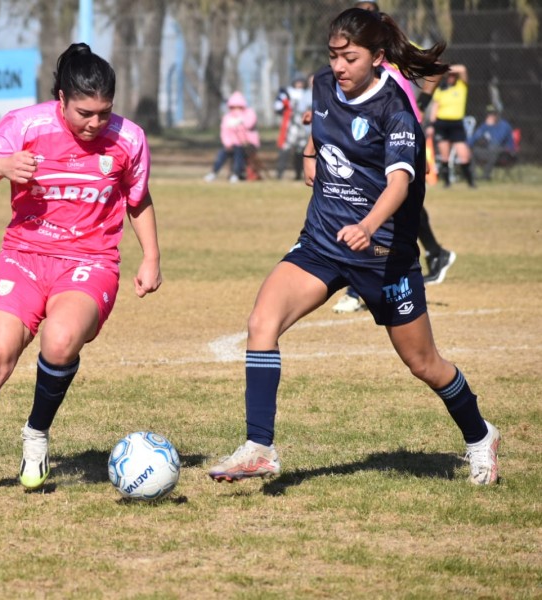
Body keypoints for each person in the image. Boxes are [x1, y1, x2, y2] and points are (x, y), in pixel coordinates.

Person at [208, 8, 500, 487]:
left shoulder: (395, 109)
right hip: (322, 242)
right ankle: (259, 446)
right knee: (262, 321)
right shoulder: (324, 84)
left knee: (423, 363)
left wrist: (367, 225)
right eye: (334, 56)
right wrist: (308, 152)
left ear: (378, 58)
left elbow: (401, 181)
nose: (339, 67)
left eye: (350, 58)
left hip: (384, 255)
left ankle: (479, 435)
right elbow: (318, 124)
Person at [0, 43, 163, 500]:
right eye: (85, 112)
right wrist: (1, 166)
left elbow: (137, 198)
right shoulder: (25, 124)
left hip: (90, 261)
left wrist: (151, 258)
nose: (95, 123)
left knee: (61, 340)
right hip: (23, 256)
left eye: (104, 112)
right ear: (61, 98)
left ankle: (36, 432)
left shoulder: (129, 139)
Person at [332, 0, 455, 314]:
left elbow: (437, 69)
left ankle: (357, 287)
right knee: (390, 203)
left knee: (386, 201)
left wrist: (423, 105)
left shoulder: (386, 54)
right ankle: (435, 253)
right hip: (375, 135)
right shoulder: (352, 62)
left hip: (399, 134)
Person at [426, 64, 475, 188]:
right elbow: (435, 108)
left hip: (456, 124)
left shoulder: (461, 87)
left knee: (463, 155)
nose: (450, 77)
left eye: (453, 75)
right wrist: (432, 124)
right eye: (449, 75)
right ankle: (447, 183)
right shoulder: (440, 90)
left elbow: (463, 69)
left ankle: (470, 182)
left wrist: (445, 68)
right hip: (442, 123)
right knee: (445, 156)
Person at [203, 91, 258, 183]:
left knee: (238, 151)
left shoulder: (249, 113)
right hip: (232, 144)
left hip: (248, 144)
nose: (236, 109)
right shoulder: (227, 117)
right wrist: (227, 143)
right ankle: (214, 172)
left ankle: (236, 174)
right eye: (234, 106)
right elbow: (224, 132)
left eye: (238, 106)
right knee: (223, 153)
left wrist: (240, 121)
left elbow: (249, 125)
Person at [274, 77, 312, 181]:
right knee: (285, 148)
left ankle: (299, 174)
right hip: (293, 125)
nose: (299, 84)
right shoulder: (288, 93)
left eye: (301, 83)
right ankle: (279, 172)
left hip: (304, 126)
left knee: (301, 150)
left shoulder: (308, 93)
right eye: (297, 82)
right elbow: (278, 107)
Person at [468, 104, 516, 181]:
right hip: (489, 151)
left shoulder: (504, 125)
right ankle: (473, 176)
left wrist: (489, 126)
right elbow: (474, 138)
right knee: (472, 151)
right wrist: (466, 146)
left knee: (494, 148)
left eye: (493, 114)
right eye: (489, 114)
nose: (491, 116)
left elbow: (498, 140)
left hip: (505, 153)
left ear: (497, 115)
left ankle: (485, 176)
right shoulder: (484, 125)